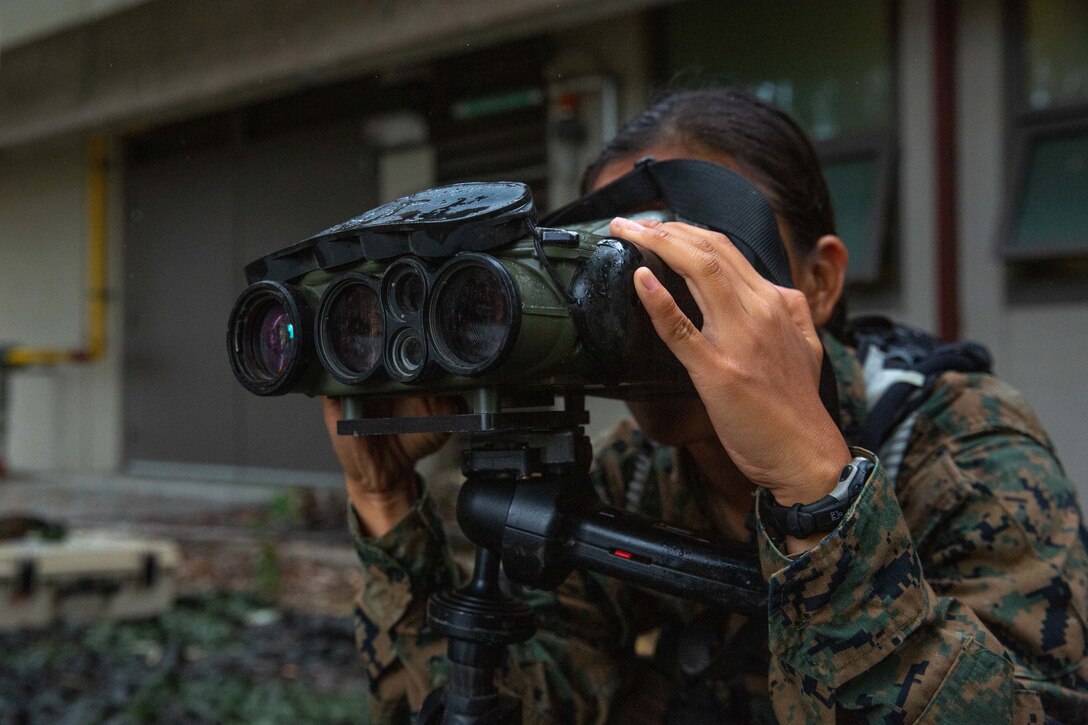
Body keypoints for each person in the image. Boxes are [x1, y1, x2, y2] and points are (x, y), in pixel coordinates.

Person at [323, 88, 1088, 723]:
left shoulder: (957, 447)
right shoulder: (632, 472)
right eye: (612, 276)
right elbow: (535, 701)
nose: (651, 314)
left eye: (699, 265)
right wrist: (385, 501)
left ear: (819, 282)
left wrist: (817, 494)